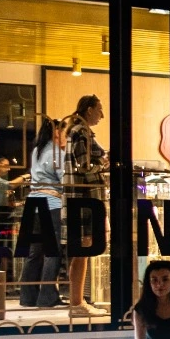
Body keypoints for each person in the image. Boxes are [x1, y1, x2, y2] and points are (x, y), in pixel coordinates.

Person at [19, 117, 68, 309]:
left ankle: (27, 297)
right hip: (51, 203)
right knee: (52, 252)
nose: (65, 137)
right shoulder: (57, 152)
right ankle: (47, 296)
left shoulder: (37, 151)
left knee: (34, 253)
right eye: (63, 132)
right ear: (56, 132)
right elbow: (65, 180)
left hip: (33, 202)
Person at [63, 95, 106, 315]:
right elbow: (84, 166)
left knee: (82, 250)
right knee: (82, 249)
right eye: (99, 109)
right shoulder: (81, 132)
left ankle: (77, 302)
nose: (102, 114)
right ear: (89, 109)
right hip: (84, 198)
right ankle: (77, 303)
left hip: (80, 198)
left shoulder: (77, 131)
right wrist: (103, 161)